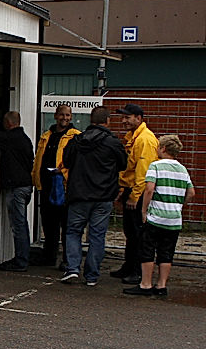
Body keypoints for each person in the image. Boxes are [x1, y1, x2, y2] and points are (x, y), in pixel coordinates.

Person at [61, 106, 127, 286]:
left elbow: (66, 162)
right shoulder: (113, 143)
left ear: (91, 120)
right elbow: (123, 164)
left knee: (73, 232)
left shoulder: (77, 140)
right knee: (97, 236)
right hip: (103, 196)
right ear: (108, 121)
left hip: (79, 195)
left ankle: (72, 268)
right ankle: (92, 276)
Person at [123, 135, 195, 297]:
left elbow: (149, 189)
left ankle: (146, 284)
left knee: (147, 249)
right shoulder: (183, 169)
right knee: (166, 251)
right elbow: (191, 192)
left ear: (163, 149)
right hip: (174, 218)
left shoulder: (155, 166)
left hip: (156, 216)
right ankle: (161, 285)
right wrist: (179, 205)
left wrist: (144, 210)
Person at [112, 104, 159, 284]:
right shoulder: (135, 138)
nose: (124, 121)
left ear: (138, 118)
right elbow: (131, 169)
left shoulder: (144, 140)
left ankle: (138, 271)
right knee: (130, 232)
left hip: (137, 193)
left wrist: (135, 196)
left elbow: (143, 172)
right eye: (123, 117)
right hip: (131, 189)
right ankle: (129, 266)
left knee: (138, 233)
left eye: (127, 117)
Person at [31, 104, 78, 268]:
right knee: (49, 226)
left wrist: (64, 172)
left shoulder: (76, 137)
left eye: (68, 115)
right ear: (55, 116)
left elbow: (76, 163)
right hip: (46, 187)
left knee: (67, 227)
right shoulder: (46, 136)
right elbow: (38, 160)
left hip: (65, 188)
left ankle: (67, 260)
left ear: (71, 117)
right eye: (62, 115)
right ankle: (49, 257)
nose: (65, 118)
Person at [0, 111, 35, 272]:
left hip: (15, 187)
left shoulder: (9, 138)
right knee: (22, 223)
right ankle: (23, 257)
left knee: (19, 225)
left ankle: (21, 261)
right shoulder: (25, 140)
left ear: (8, 123)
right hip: (26, 185)